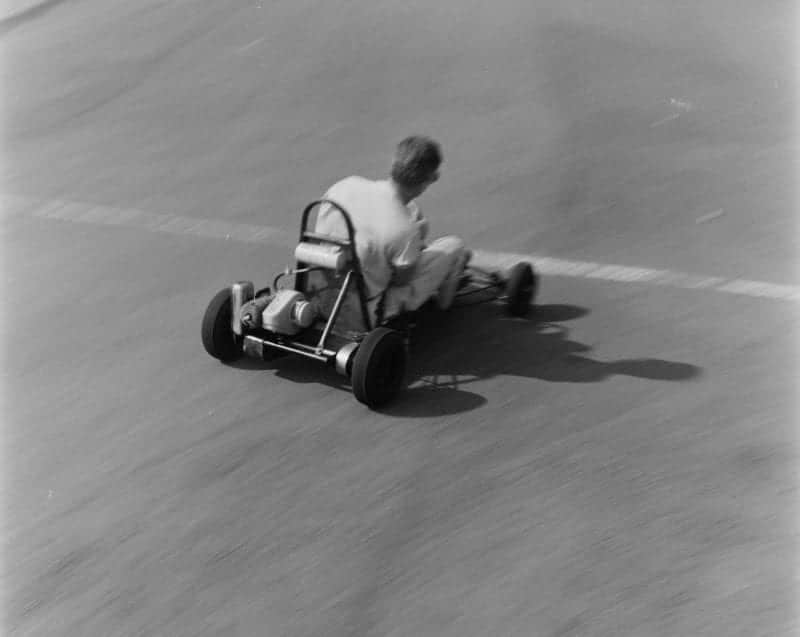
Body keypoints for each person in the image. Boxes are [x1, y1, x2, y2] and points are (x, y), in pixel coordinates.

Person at [314, 135, 469, 325]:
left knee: (411, 222)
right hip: (362, 313)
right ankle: (443, 308)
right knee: (455, 246)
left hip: (321, 294)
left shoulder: (344, 185)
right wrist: (413, 245)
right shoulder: (404, 229)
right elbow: (401, 282)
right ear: (427, 180)